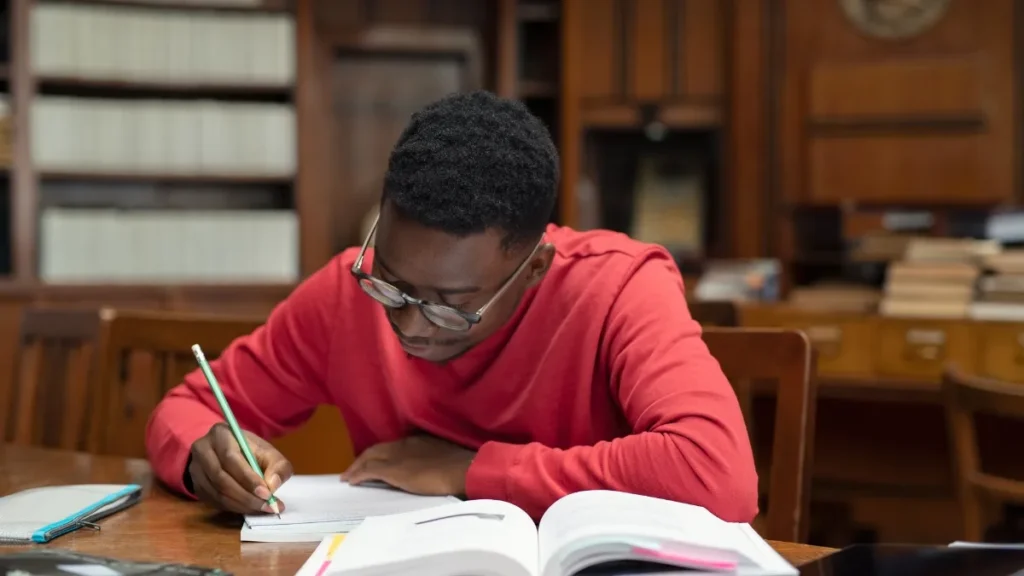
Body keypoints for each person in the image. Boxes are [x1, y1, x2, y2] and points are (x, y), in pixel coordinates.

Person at [145, 90, 758, 522]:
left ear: (534, 267)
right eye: (389, 280)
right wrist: (206, 459)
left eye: (452, 305)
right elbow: (189, 408)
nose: (408, 324)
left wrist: (472, 472)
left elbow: (715, 472)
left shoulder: (618, 287)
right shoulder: (344, 294)